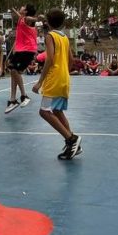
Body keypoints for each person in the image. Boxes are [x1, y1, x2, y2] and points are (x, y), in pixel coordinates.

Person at [31, 8, 82, 159]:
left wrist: (40, 82)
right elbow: (71, 60)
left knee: (44, 111)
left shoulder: (50, 36)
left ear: (48, 21)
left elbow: (50, 59)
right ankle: (72, 143)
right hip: (64, 77)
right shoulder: (64, 37)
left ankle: (71, 139)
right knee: (57, 111)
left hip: (54, 79)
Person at [4, 4, 39, 113]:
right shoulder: (21, 18)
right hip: (20, 50)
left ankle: (24, 96)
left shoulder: (27, 19)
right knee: (13, 72)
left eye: (23, 7)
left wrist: (38, 18)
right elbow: (18, 13)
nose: (21, 7)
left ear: (26, 11)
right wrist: (13, 9)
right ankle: (13, 99)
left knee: (14, 70)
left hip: (28, 49)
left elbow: (33, 19)